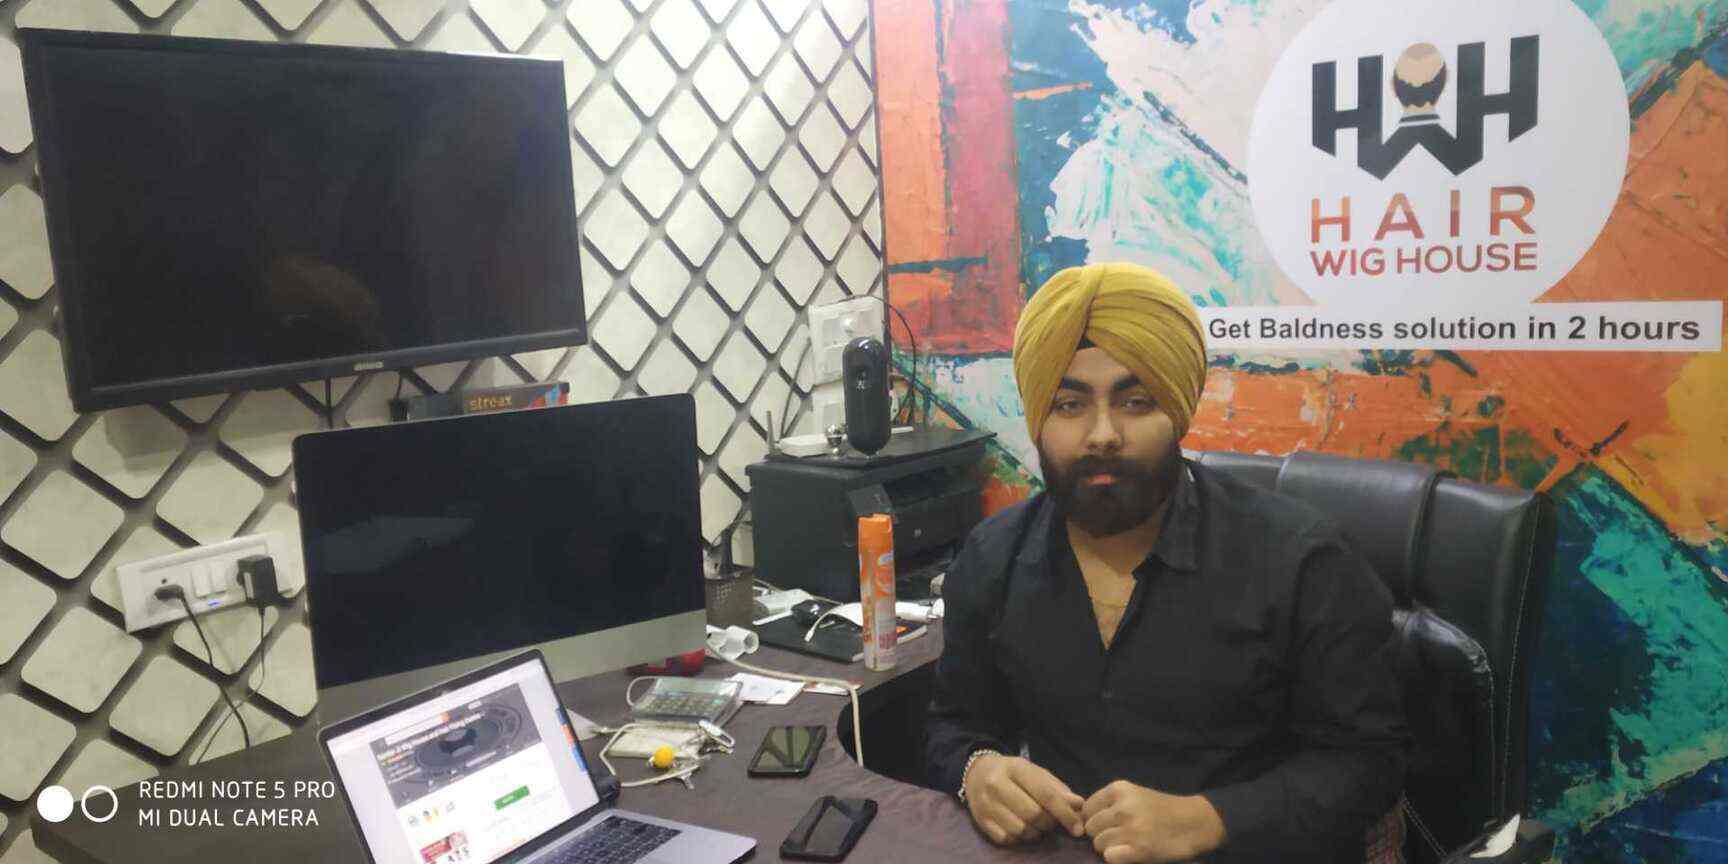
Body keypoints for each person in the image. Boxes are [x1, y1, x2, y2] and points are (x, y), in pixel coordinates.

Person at [925, 263, 1408, 864]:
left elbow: (1370, 763)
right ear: (1038, 421)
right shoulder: (993, 557)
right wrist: (977, 770)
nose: (1103, 434)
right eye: (1069, 404)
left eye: (1136, 402)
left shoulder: (1302, 562)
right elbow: (953, 724)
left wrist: (1209, 819)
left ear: (1177, 413)